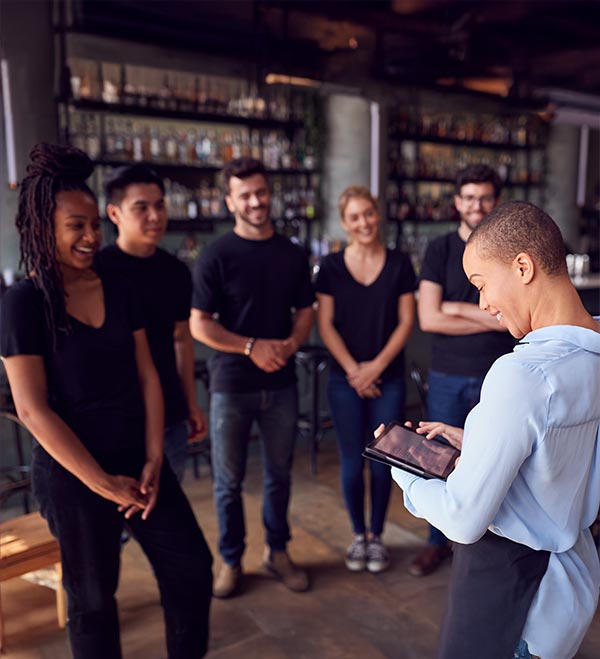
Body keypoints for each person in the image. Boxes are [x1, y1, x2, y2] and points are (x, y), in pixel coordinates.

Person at [0, 144, 213, 659]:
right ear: (41, 228)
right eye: (77, 226)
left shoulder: (117, 286)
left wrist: (154, 460)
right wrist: (102, 482)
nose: (92, 237)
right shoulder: (23, 304)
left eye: (95, 224)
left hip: (140, 466)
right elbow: (32, 410)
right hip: (73, 476)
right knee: (93, 601)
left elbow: (147, 377)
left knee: (191, 567)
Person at [390, 201, 600, 659]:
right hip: (572, 588)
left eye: (481, 284)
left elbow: (465, 521)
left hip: (514, 596)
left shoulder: (520, 374)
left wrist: (407, 473)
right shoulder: (594, 351)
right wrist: (484, 444)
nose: (484, 304)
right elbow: (567, 452)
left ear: (522, 266)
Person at [190, 157, 314, 599]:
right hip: (231, 385)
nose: (256, 201)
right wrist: (250, 346)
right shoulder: (216, 254)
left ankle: (277, 552)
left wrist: (290, 344)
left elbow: (305, 312)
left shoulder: (292, 253)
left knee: (279, 475)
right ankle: (230, 559)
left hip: (280, 383)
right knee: (229, 482)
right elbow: (199, 324)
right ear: (230, 201)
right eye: (245, 195)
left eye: (261, 192)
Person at [412, 163, 514, 577]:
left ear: (496, 202)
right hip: (448, 374)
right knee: (439, 458)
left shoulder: (506, 253)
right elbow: (429, 319)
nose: (477, 205)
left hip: (499, 373)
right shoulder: (439, 250)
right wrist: (483, 315)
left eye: (485, 197)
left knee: (493, 460)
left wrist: (455, 307)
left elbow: (509, 321)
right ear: (457, 202)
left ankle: (486, 546)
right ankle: (438, 543)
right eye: (469, 197)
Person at [315, 185, 415, 573]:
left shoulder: (400, 263)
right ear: (344, 223)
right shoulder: (331, 266)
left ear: (378, 214)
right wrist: (356, 372)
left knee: (383, 462)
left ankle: (378, 537)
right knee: (351, 462)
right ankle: (359, 535)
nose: (363, 223)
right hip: (345, 381)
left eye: (368, 214)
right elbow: (325, 325)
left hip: (387, 378)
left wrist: (374, 368)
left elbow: (407, 322)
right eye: (354, 217)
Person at [95, 164, 207, 483]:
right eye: (141, 208)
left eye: (159, 205)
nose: (155, 216)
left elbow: (181, 340)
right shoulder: (97, 271)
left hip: (168, 413)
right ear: (114, 213)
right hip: (114, 415)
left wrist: (190, 403)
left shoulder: (175, 271)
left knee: (166, 513)